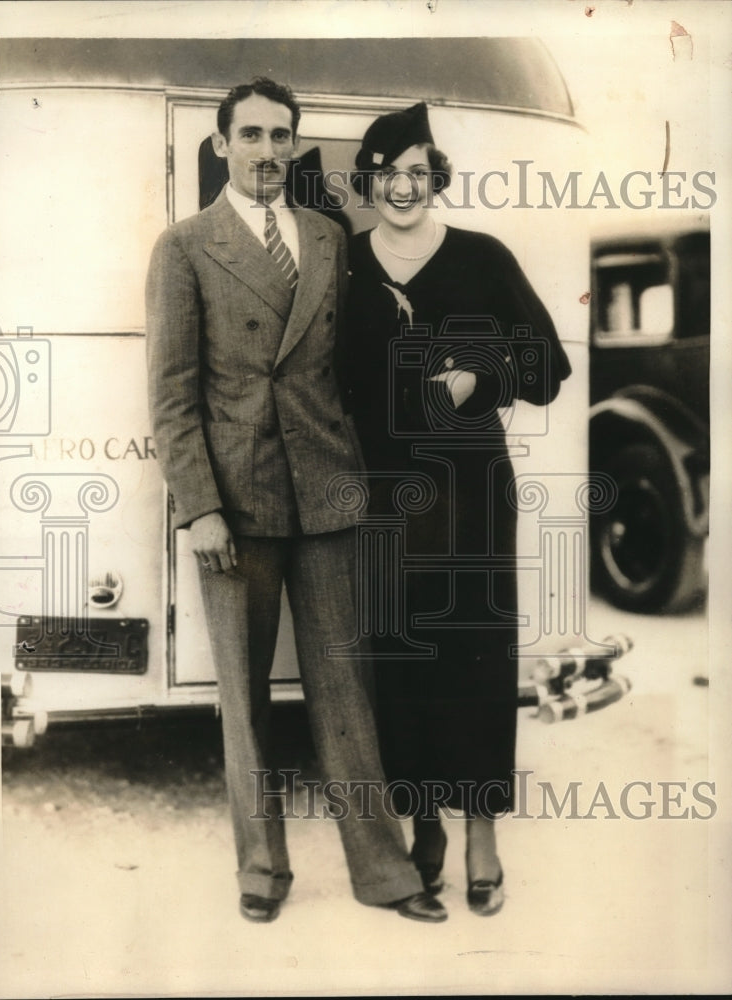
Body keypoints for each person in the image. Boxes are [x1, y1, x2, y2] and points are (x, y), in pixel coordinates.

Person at [145, 79, 445, 924]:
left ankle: (384, 874)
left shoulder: (327, 238)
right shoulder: (185, 246)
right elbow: (172, 397)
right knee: (242, 700)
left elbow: (348, 367)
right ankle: (260, 872)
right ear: (221, 144)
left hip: (328, 495)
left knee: (348, 694)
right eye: (252, 135)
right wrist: (198, 506)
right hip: (235, 507)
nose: (269, 152)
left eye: (282, 136)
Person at [344, 102, 572, 915]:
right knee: (401, 667)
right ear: (365, 179)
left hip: (472, 494)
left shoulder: (480, 257)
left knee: (475, 660)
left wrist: (484, 376)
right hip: (385, 501)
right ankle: (425, 827)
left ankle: (481, 833)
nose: (401, 186)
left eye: (417, 171)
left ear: (434, 179)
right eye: (386, 171)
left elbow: (546, 366)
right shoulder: (346, 267)